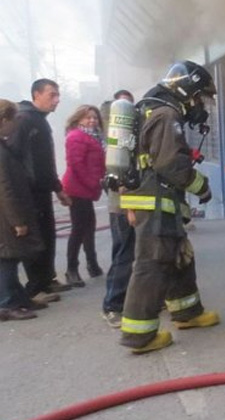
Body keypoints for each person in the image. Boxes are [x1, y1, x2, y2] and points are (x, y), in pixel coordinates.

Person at [118, 61, 219, 353]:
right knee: (153, 262)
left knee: (178, 254)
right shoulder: (166, 114)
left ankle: (188, 312)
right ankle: (140, 335)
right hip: (155, 199)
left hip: (158, 198)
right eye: (200, 96)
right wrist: (202, 186)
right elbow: (170, 163)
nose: (201, 104)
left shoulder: (154, 108)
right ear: (187, 90)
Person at [11, 79, 73, 305]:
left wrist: (57, 188)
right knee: (35, 239)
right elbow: (16, 159)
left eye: (58, 96)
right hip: (29, 192)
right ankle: (35, 288)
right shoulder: (24, 119)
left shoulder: (40, 121)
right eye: (52, 95)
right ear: (36, 94)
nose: (56, 100)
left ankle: (47, 279)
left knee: (47, 235)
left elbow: (45, 163)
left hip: (42, 190)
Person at [0, 99, 47, 321]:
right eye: (13, 119)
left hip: (7, 215)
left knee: (12, 257)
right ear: (3, 120)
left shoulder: (3, 145)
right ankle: (8, 304)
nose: (16, 125)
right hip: (5, 217)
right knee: (6, 259)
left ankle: (19, 298)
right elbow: (5, 189)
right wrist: (17, 220)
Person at [100, 91, 136, 328]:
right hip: (123, 205)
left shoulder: (119, 141)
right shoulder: (119, 142)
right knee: (124, 255)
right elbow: (122, 180)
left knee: (127, 253)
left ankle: (122, 301)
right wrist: (130, 208)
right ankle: (113, 305)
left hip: (124, 204)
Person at [61, 105, 106, 287]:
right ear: (78, 119)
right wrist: (93, 183)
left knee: (89, 227)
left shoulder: (93, 137)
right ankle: (72, 269)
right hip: (78, 189)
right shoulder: (76, 137)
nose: (92, 121)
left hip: (87, 189)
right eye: (88, 118)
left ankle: (92, 264)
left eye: (95, 118)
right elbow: (76, 165)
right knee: (79, 229)